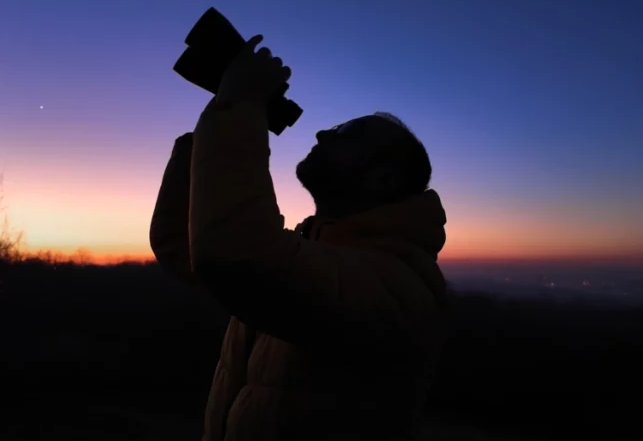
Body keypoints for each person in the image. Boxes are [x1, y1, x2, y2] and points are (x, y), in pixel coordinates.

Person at [150, 35, 449, 440]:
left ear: (385, 178)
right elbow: (183, 248)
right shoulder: (309, 256)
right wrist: (218, 120)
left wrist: (242, 106)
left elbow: (233, 254)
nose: (325, 133)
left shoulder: (398, 289)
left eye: (349, 133)